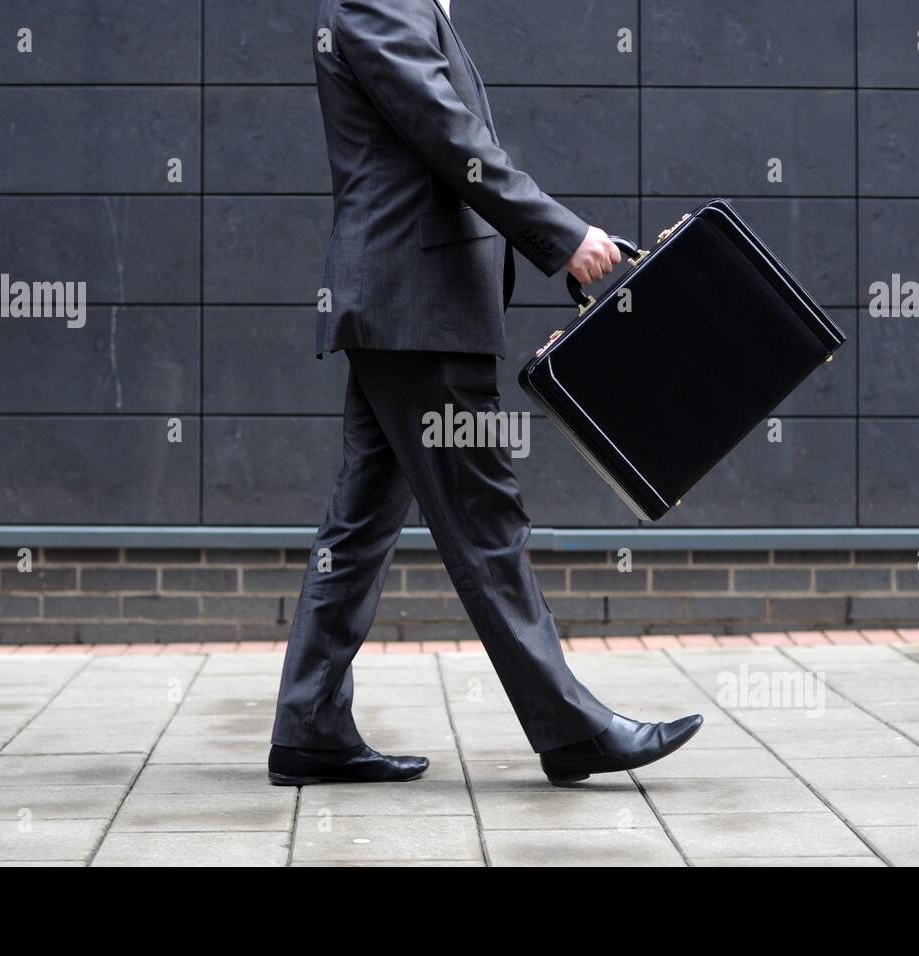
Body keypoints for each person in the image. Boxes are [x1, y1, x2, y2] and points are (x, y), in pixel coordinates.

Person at [269, 0, 702, 786]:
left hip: (409, 304)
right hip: (419, 305)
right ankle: (571, 730)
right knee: (484, 517)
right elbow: (449, 135)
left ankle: (310, 725)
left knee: (362, 520)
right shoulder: (378, 1)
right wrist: (562, 235)